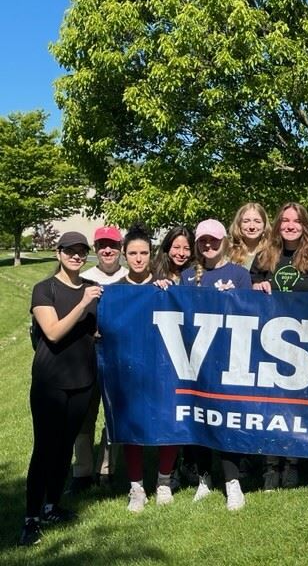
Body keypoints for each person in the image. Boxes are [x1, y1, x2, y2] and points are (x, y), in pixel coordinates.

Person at [20, 232, 103, 546]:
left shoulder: (91, 290)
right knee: (44, 449)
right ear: (59, 253)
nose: (77, 256)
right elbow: (53, 333)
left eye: (82, 251)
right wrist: (83, 304)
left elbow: (93, 331)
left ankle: (52, 506)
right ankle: (31, 518)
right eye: (70, 251)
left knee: (65, 446)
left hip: (82, 380)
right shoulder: (45, 289)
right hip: (50, 381)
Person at [251, 202, 308, 490]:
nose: (290, 226)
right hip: (268, 344)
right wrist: (256, 286)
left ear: (304, 225)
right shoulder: (265, 256)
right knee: (271, 406)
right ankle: (270, 466)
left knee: (296, 407)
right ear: (278, 225)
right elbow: (251, 286)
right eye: (285, 221)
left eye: (296, 221)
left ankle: (293, 463)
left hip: (303, 346)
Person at [181, 219, 252, 510]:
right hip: (195, 361)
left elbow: (251, 313)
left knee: (225, 419)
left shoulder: (238, 274)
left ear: (223, 240)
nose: (208, 245)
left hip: (229, 359)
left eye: (213, 240)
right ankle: (204, 478)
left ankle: (232, 482)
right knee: (198, 417)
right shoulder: (186, 276)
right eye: (203, 241)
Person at [115, 224, 180, 512]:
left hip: (162, 367)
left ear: (151, 255)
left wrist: (169, 293)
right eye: (133, 253)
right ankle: (136, 487)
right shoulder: (115, 291)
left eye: (143, 253)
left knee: (167, 422)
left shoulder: (164, 287)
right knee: (133, 426)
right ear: (124, 255)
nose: (139, 258)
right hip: (129, 368)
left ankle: (163, 482)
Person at [69, 225, 127, 493]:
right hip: (88, 357)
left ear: (120, 249)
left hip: (119, 357)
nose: (107, 250)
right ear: (96, 249)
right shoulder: (82, 279)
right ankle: (81, 472)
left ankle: (107, 469)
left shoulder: (130, 279)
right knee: (83, 415)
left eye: (113, 245)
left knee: (114, 415)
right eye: (103, 245)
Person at [229, 202, 270, 270]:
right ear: (238, 224)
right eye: (246, 221)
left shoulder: (273, 254)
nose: (252, 226)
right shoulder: (228, 254)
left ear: (264, 225)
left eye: (257, 221)